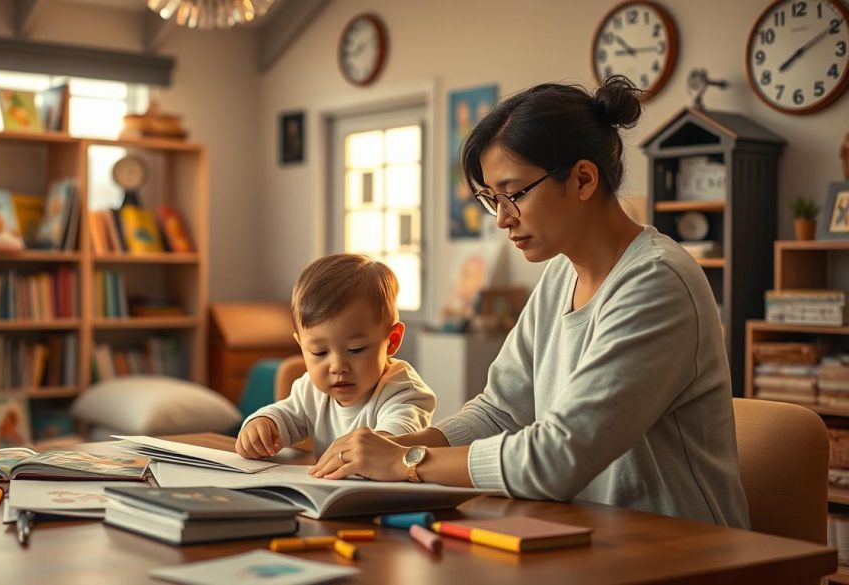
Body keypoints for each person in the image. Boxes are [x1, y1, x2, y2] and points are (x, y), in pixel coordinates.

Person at [307, 76, 750, 528]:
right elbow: (502, 408)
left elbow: (557, 457)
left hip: (684, 550)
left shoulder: (656, 282)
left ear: (582, 178)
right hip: (587, 536)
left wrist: (408, 462)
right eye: (490, 198)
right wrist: (400, 446)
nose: (502, 218)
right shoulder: (562, 273)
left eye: (513, 193)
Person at [236, 253, 436, 460]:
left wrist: (380, 443)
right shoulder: (311, 390)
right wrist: (262, 425)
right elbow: (286, 415)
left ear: (391, 340)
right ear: (302, 347)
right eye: (319, 352)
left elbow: (392, 442)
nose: (338, 366)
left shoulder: (405, 392)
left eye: (356, 349)